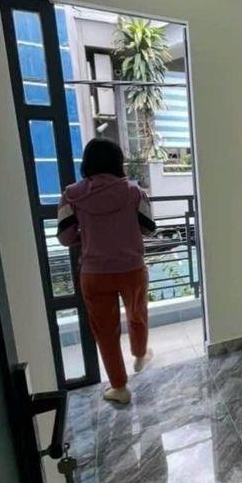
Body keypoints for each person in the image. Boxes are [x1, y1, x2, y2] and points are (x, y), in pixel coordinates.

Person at [57, 138, 156, 404]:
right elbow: (149, 228)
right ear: (117, 161)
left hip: (94, 273)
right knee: (137, 313)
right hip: (131, 268)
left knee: (105, 331)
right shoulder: (135, 192)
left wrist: (88, 236)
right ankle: (140, 355)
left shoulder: (70, 195)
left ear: (87, 163)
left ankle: (120, 388)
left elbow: (65, 237)